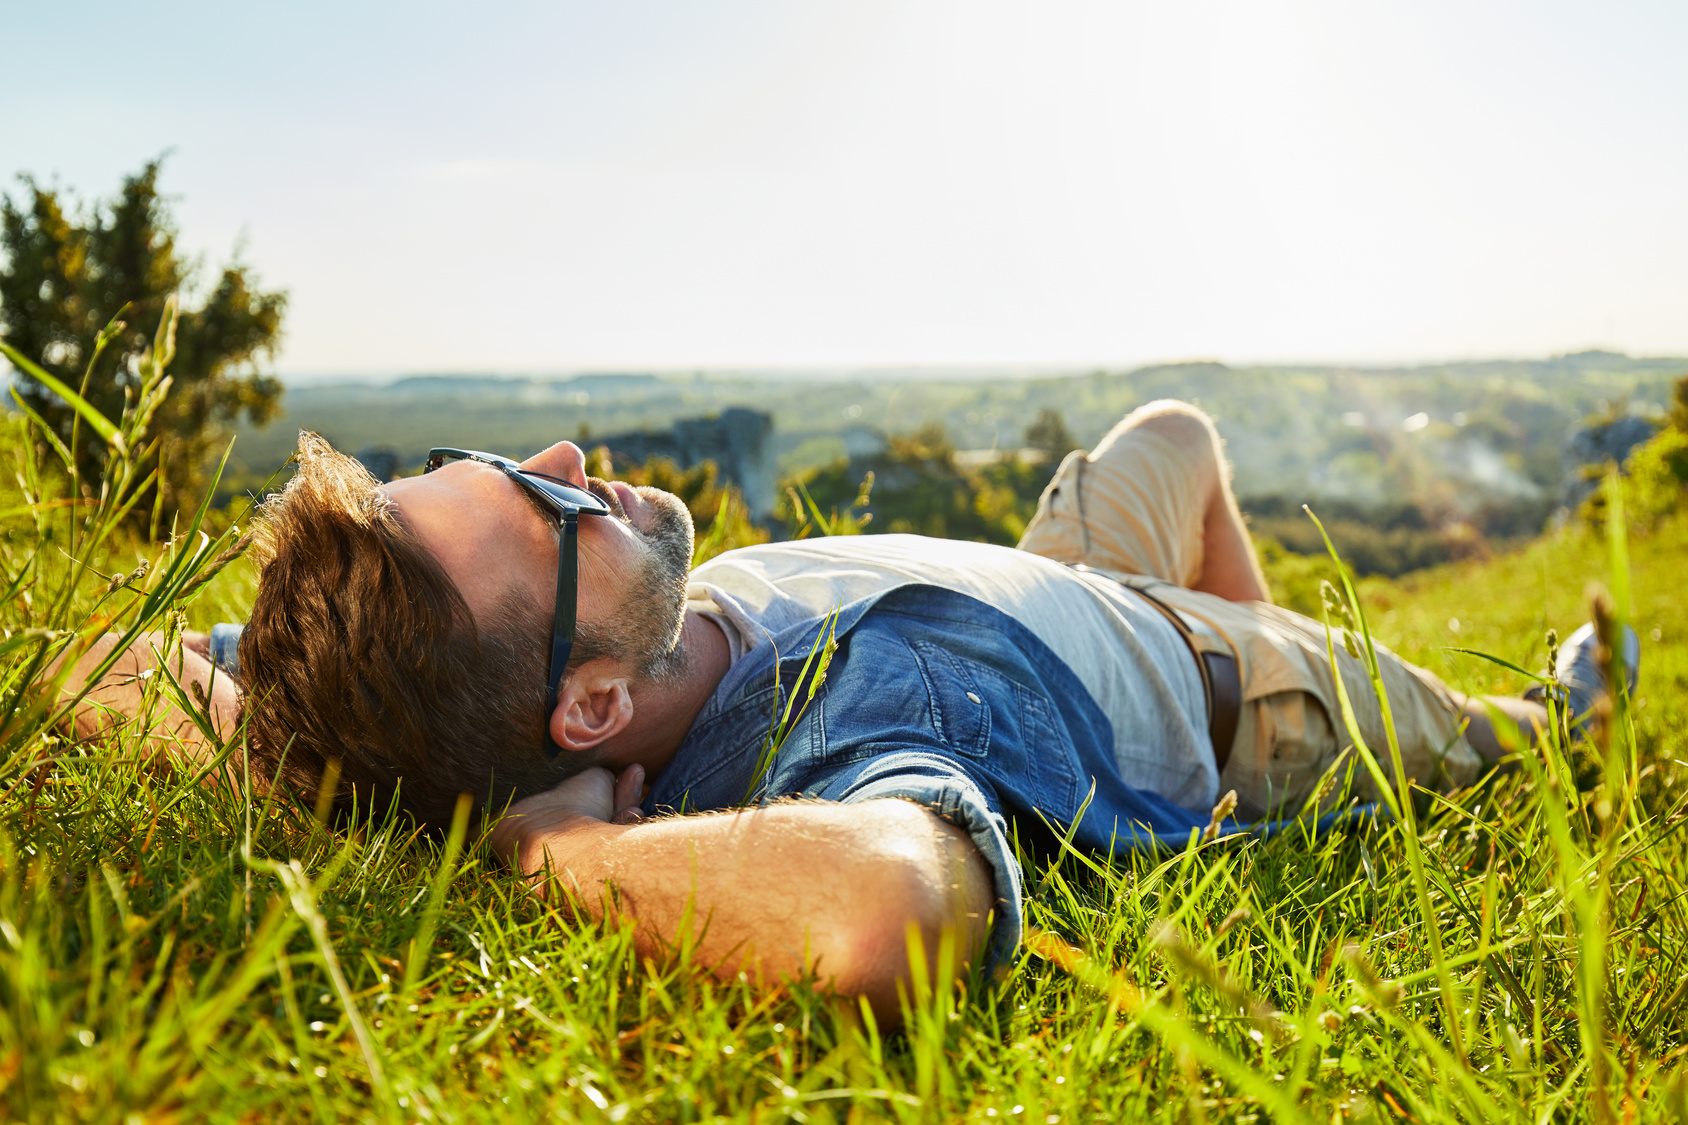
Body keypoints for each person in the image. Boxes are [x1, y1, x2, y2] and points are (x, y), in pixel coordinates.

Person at [63, 400, 1629, 1020]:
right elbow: (885, 916)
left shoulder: (467, 656)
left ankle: (1262, 602)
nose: (563, 454)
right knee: (1527, 735)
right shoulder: (836, 723)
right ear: (594, 703)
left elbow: (99, 665)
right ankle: (1575, 702)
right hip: (1238, 697)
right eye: (547, 509)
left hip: (1049, 572)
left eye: (495, 458)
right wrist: (544, 859)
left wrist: (325, 767)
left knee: (1176, 435)